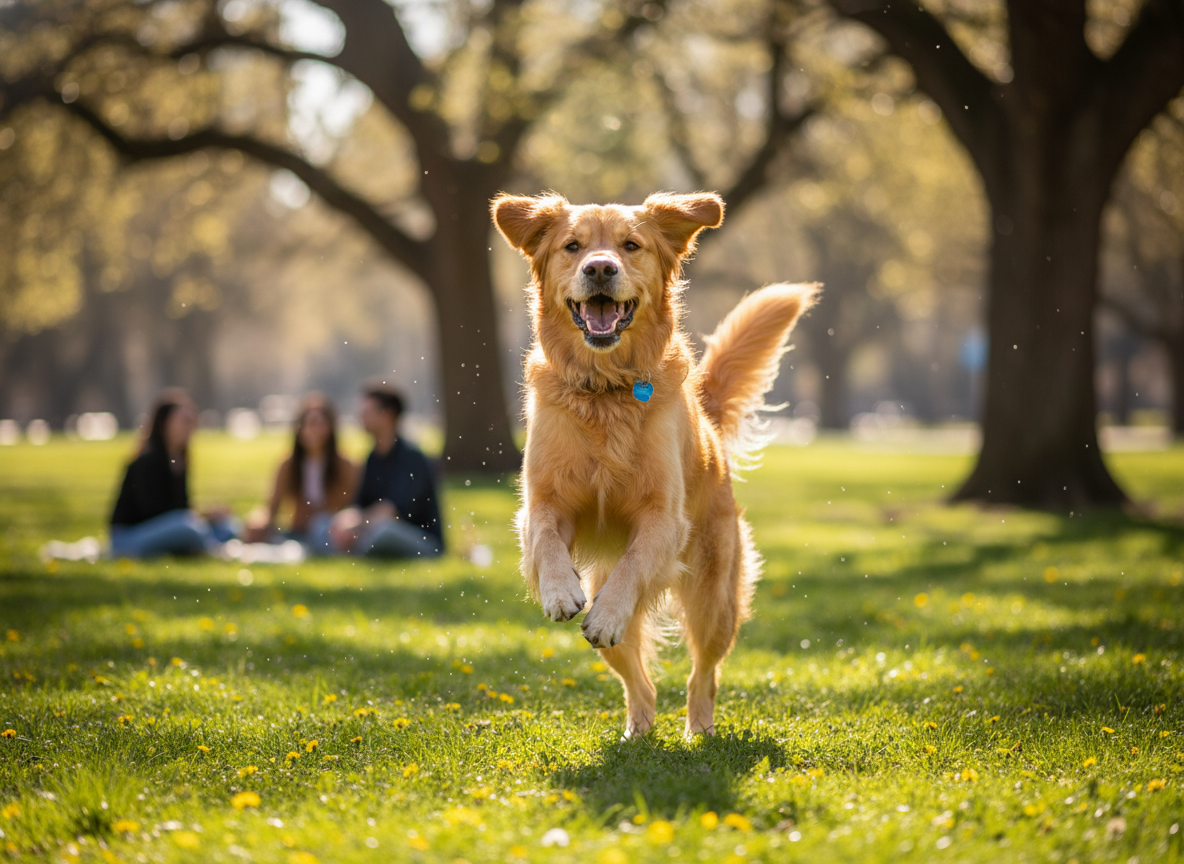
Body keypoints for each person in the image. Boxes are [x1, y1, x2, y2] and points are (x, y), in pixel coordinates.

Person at [109, 388, 237, 557]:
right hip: (129, 538)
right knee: (189, 529)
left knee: (228, 525)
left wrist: (210, 515)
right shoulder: (147, 461)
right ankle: (214, 549)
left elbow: (181, 508)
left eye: (192, 421)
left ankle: (210, 545)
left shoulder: (179, 461)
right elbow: (154, 511)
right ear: (164, 424)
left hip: (171, 528)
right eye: (184, 420)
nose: (190, 427)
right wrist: (202, 516)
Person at [326, 382, 443, 557]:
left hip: (420, 540)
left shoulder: (413, 457)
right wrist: (344, 521)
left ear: (387, 415)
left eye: (367, 412)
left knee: (384, 531)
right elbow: (359, 506)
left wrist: (357, 524)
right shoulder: (372, 458)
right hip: (373, 528)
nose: (361, 417)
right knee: (323, 524)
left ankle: (348, 549)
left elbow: (394, 511)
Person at [244, 393, 356, 546]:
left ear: (330, 427)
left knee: (321, 524)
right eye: (308, 424)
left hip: (330, 535)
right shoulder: (288, 465)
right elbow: (271, 508)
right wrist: (257, 522)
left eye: (319, 424)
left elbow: (350, 508)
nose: (314, 430)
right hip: (298, 533)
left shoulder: (345, 464)